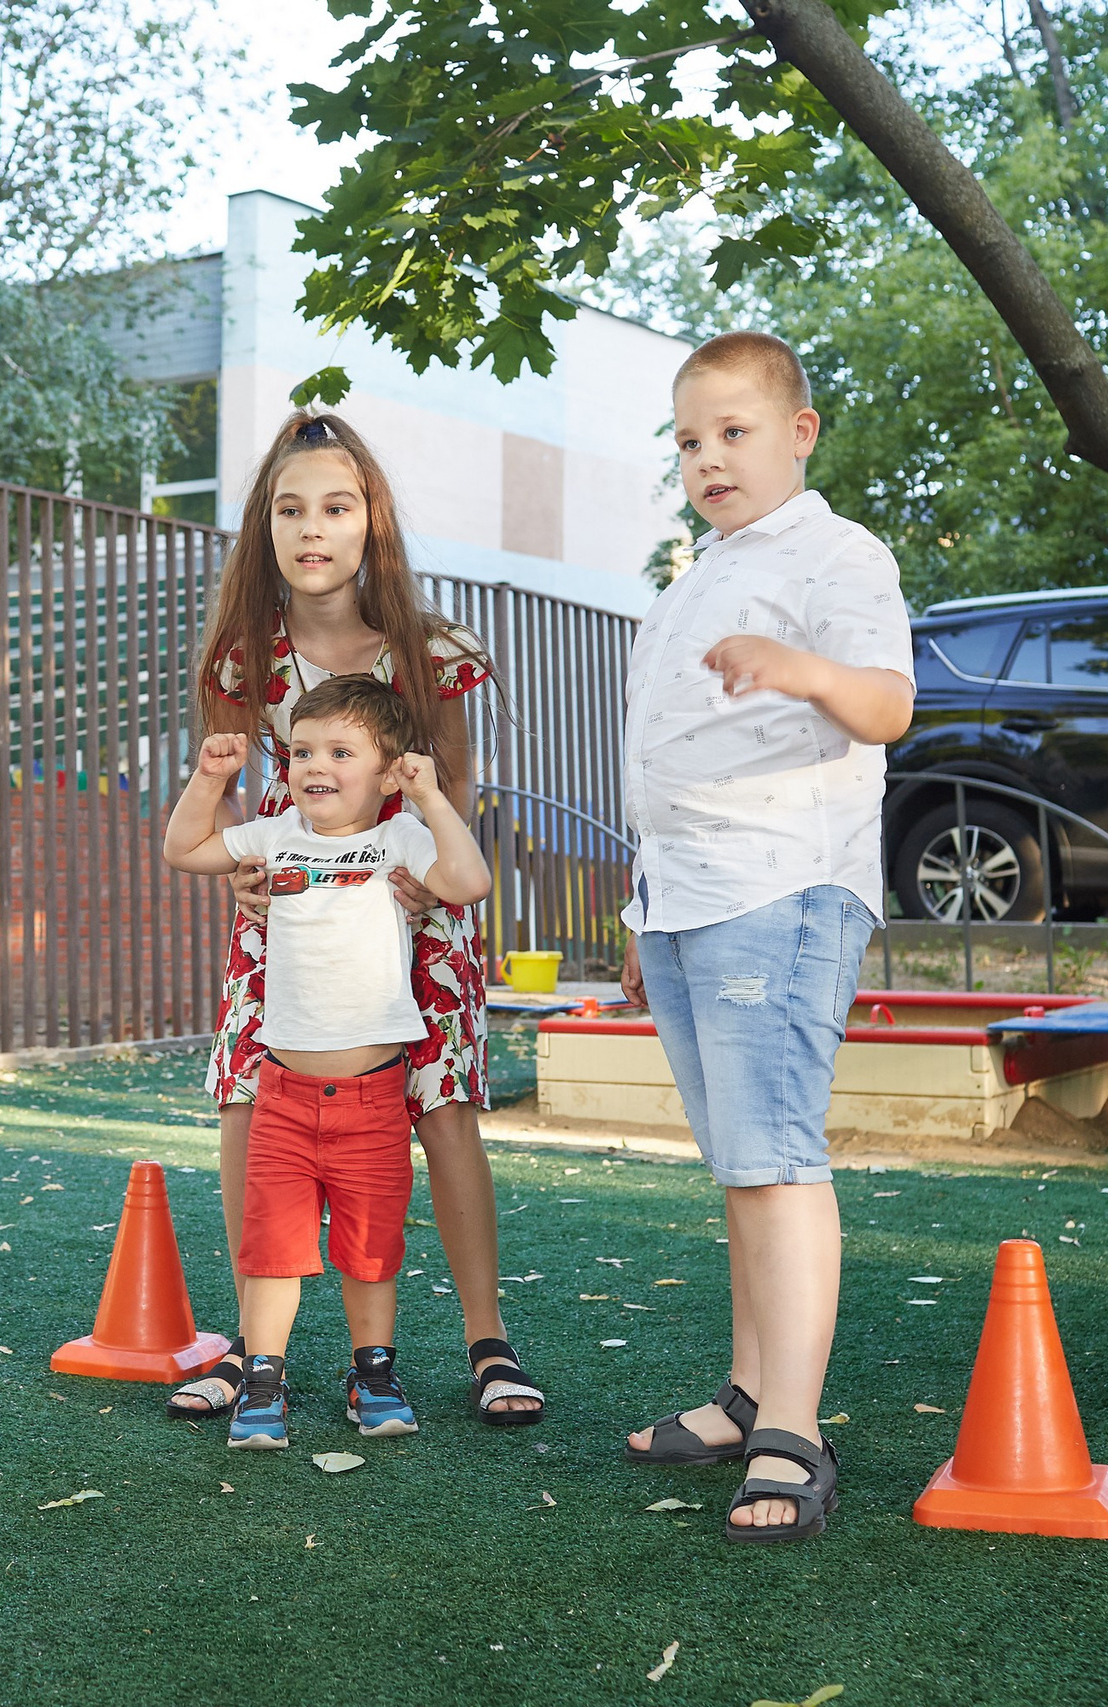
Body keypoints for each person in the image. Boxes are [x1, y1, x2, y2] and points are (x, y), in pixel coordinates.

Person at [169, 410, 547, 1428]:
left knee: (442, 1102)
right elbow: (222, 791)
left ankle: (487, 1344)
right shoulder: (245, 661)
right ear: (266, 528)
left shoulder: (432, 653)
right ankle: (258, 1351)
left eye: (335, 506)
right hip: (290, 913)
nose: (312, 528)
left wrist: (430, 877)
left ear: (370, 522)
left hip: (412, 907)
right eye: (290, 509)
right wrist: (234, 881)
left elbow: (454, 790)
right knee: (249, 1095)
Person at [616, 331, 913, 1542]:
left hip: (779, 885)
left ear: (798, 433)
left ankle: (791, 1429)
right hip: (683, 895)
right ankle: (747, 1393)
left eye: (733, 431)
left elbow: (887, 704)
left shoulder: (838, 555)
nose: (707, 457)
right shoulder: (704, 571)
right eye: (689, 440)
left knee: (776, 1155)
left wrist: (795, 667)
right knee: (738, 1156)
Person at [164, 675, 492, 1447]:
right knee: (274, 1244)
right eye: (304, 748)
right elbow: (184, 848)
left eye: (341, 751)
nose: (316, 763)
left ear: (385, 772)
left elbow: (469, 880)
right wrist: (210, 778)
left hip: (374, 1096)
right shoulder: (276, 832)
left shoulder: (402, 837)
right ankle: (264, 1378)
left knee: (371, 1243)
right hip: (282, 1090)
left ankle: (372, 1371)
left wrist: (432, 797)